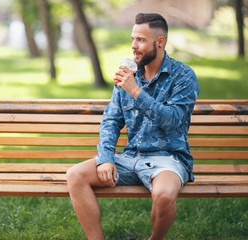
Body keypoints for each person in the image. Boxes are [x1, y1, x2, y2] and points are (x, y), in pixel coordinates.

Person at [66, 13, 200, 240]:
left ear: (160, 42)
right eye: (132, 39)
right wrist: (106, 157)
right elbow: (111, 120)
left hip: (168, 159)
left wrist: (135, 92)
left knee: (165, 195)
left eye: (140, 40)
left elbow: (173, 120)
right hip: (130, 157)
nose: (133, 46)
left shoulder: (183, 76)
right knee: (75, 175)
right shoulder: (128, 75)